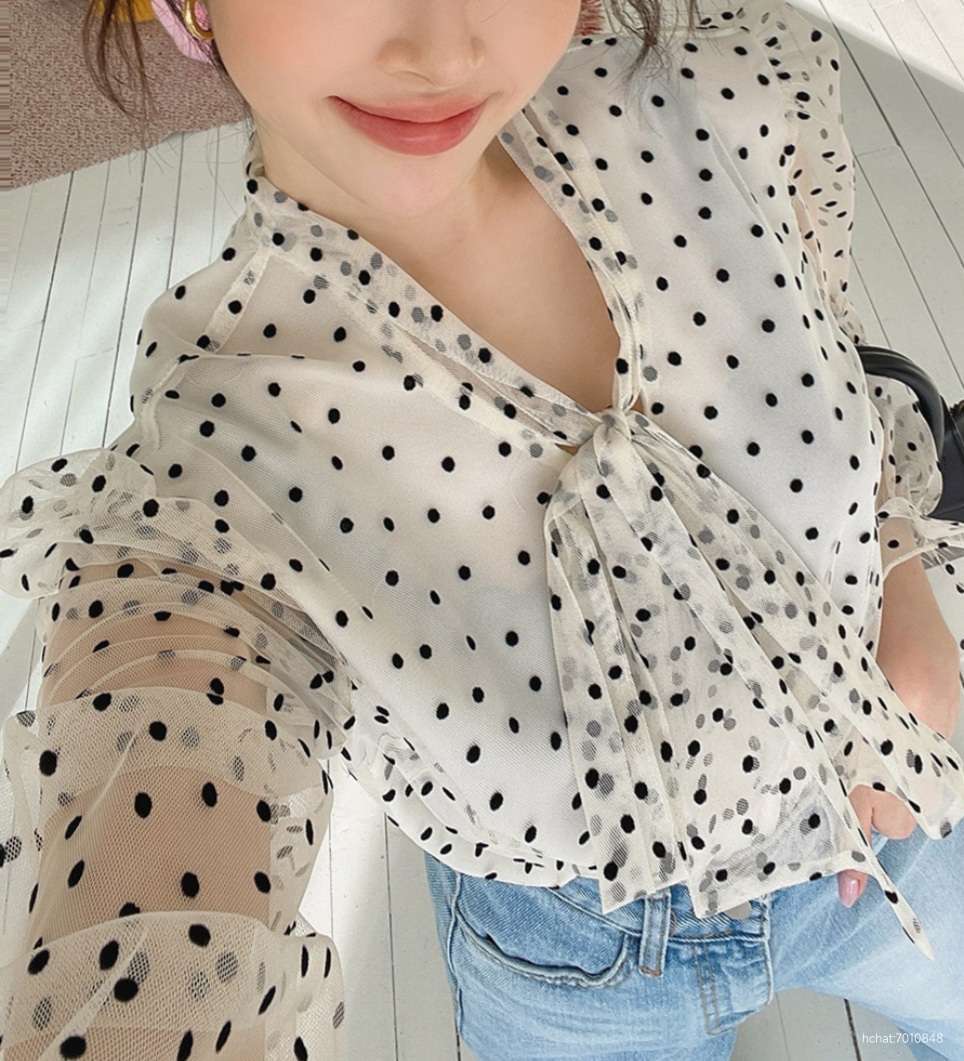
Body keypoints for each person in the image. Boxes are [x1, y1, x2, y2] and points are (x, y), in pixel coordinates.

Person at [2, 0, 963, 1057]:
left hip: (895, 823)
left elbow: (826, 339)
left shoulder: (737, 99)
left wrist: (900, 583)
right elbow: (146, 897)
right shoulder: (210, 473)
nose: (444, 47)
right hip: (570, 971)